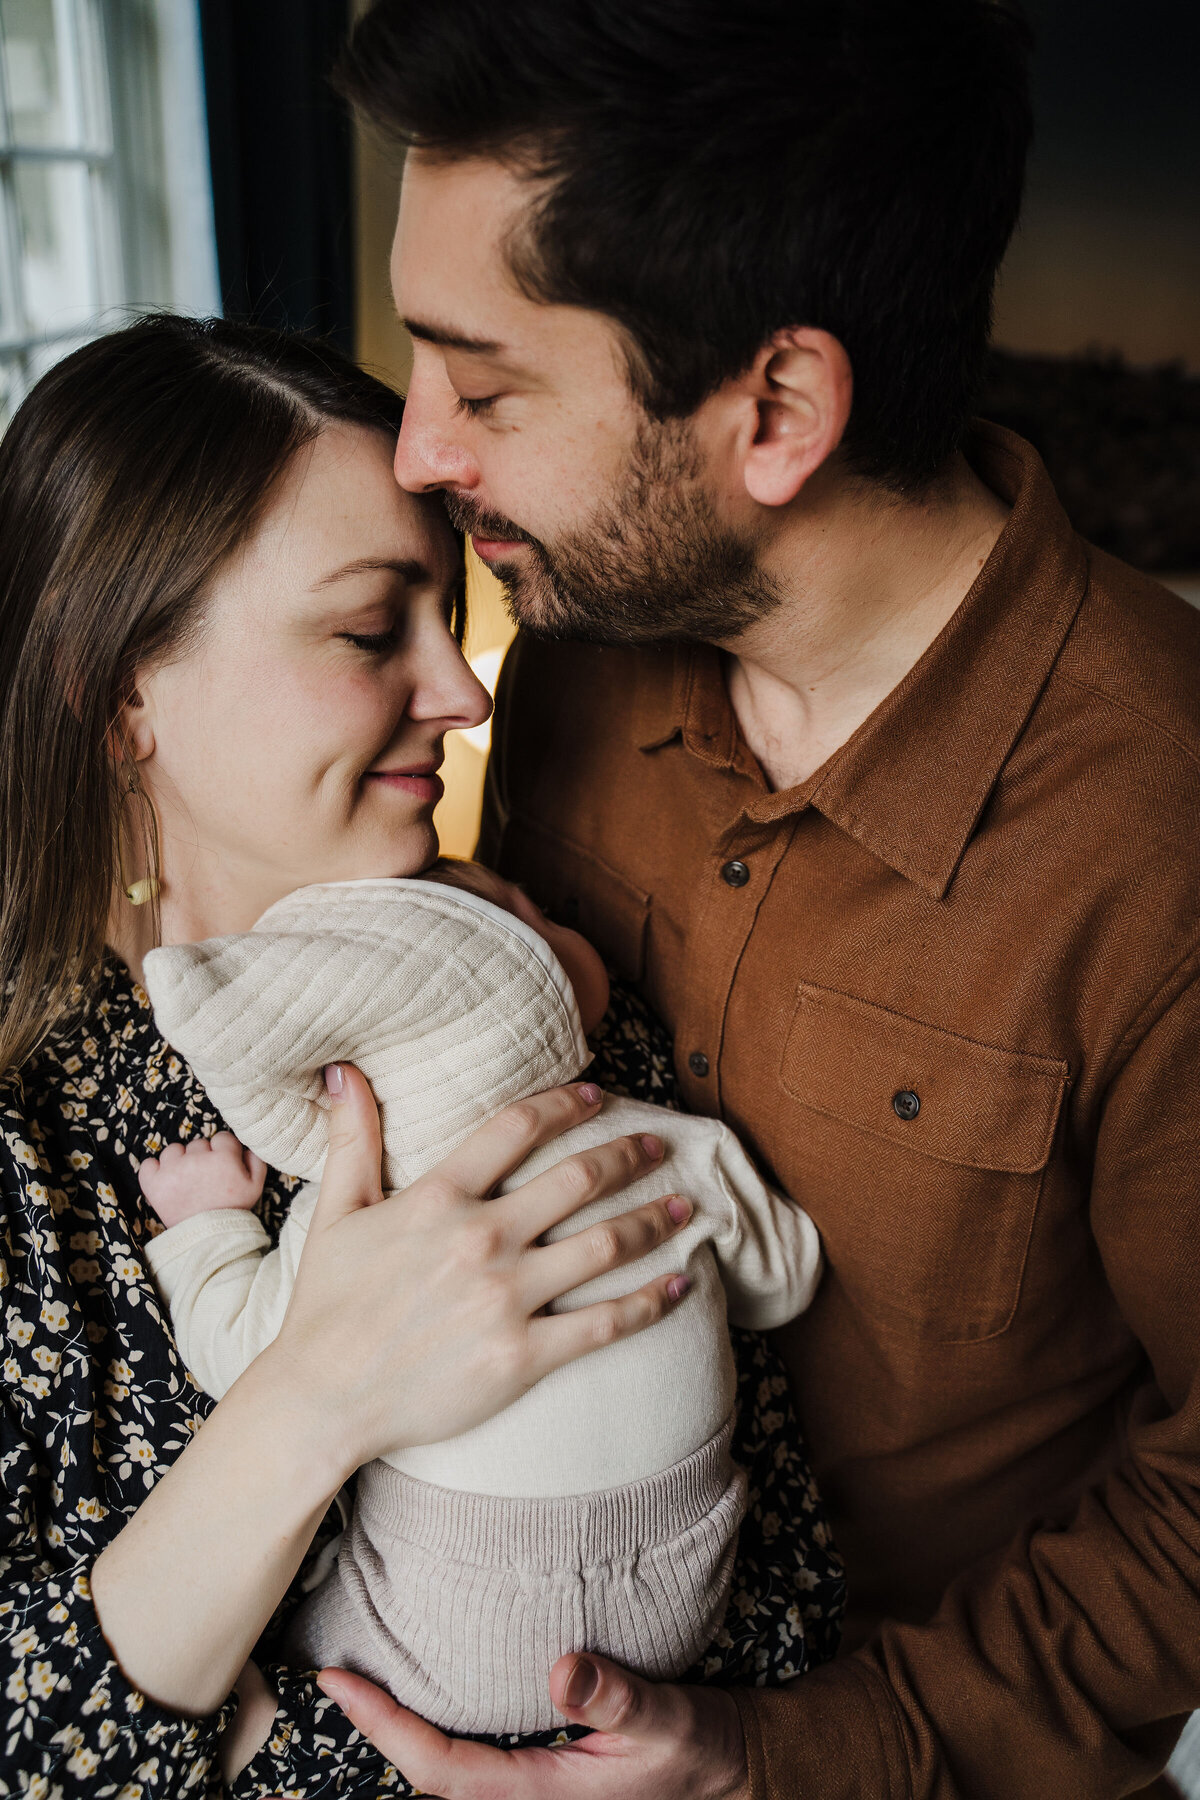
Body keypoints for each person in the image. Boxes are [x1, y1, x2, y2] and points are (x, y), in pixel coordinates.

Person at [327, 1, 1200, 1796]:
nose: (422, 454)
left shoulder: (1164, 835)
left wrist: (800, 1758)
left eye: (485, 387)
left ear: (779, 410)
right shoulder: (579, 636)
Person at [0, 314, 728, 1795]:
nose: (463, 695)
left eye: (449, 616)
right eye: (363, 629)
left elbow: (759, 1593)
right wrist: (320, 1388)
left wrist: (712, 1756)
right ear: (117, 687)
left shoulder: (539, 1002)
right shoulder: (27, 1140)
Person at [133, 861, 823, 1735]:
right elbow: (789, 1277)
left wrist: (210, 1229)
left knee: (296, 1654)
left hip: (449, 1624)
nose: (563, 916)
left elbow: (243, 1356)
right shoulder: (654, 1138)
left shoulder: (360, 1215)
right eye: (534, 909)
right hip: (690, 1584)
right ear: (529, 974)